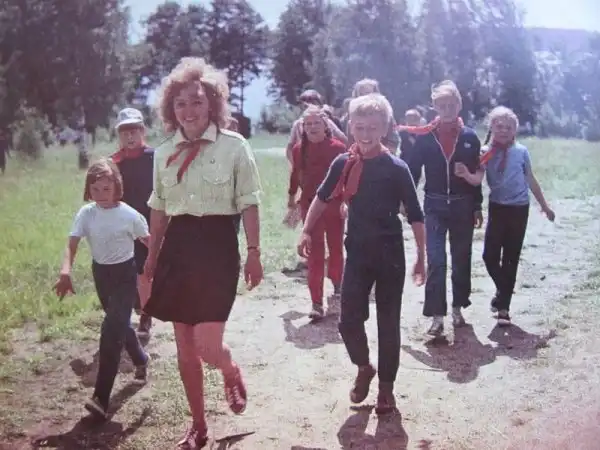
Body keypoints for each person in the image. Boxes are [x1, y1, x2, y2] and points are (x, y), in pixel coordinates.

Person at [142, 57, 263, 449]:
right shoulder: (163, 152)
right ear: (171, 109)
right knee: (184, 347)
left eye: (196, 101)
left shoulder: (234, 146)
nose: (189, 110)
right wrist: (151, 259)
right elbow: (159, 208)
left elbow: (249, 202)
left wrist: (254, 251)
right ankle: (198, 425)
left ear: (212, 103)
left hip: (217, 247)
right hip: (178, 248)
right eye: (180, 103)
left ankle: (228, 368)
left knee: (207, 346)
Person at [298, 93, 426, 415]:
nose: (366, 134)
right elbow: (321, 197)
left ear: (385, 128)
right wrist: (306, 230)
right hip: (357, 252)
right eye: (359, 127)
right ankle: (364, 366)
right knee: (348, 321)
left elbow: (415, 214)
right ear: (350, 127)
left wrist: (422, 255)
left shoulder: (397, 168)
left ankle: (386, 388)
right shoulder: (344, 163)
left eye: (373, 127)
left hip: (390, 255)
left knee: (388, 322)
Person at [53, 159, 150, 420]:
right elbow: (72, 244)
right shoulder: (87, 214)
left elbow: (149, 241)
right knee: (119, 324)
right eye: (95, 190)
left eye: (106, 189)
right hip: (101, 275)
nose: (101, 195)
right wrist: (65, 271)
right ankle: (141, 359)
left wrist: (163, 267)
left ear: (117, 187)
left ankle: (101, 397)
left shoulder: (129, 215)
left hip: (125, 275)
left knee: (110, 329)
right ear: (88, 189)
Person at [462, 106, 555, 326]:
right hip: (498, 208)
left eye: (508, 127)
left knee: (511, 257)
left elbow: (530, 179)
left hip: (519, 209)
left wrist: (545, 206)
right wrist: (468, 178)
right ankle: (504, 290)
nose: (503, 130)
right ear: (491, 127)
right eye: (499, 126)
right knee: (490, 256)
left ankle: (503, 308)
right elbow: (477, 179)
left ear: (515, 130)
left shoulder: (521, 152)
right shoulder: (485, 152)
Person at [403, 80, 483, 337]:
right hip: (434, 205)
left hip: (463, 205)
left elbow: (476, 173)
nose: (447, 109)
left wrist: (477, 206)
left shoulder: (470, 137)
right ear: (435, 107)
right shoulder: (426, 137)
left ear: (459, 105)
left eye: (451, 104)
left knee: (461, 258)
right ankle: (437, 317)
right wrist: (407, 201)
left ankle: (458, 308)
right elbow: (412, 171)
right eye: (442, 105)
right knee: (436, 260)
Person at [287, 106, 346, 320]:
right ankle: (316, 302)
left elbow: (346, 177)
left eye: (316, 123)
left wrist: (345, 201)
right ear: (303, 127)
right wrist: (291, 198)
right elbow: (295, 174)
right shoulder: (299, 149)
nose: (312, 127)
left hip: (334, 205)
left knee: (336, 246)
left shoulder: (338, 148)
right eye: (308, 124)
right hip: (310, 205)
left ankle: (337, 281)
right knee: (314, 252)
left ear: (325, 125)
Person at [110, 107, 155, 338]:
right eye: (124, 131)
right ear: (118, 134)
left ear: (142, 131)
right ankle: (135, 308)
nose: (130, 136)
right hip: (123, 224)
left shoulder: (154, 157)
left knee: (144, 271)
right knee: (126, 271)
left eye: (134, 130)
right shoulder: (113, 163)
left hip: (150, 221)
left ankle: (146, 315)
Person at [286, 89, 347, 165]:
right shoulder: (298, 124)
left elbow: (343, 140)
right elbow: (290, 147)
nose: (309, 107)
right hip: (306, 160)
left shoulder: (327, 122)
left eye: (313, 103)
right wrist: (295, 164)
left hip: (326, 159)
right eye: (305, 105)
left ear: (319, 106)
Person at [343, 78, 400, 154]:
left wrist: (382, 154)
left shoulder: (385, 114)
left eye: (369, 93)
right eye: (362, 94)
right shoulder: (349, 116)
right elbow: (348, 140)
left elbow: (393, 140)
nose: (366, 97)